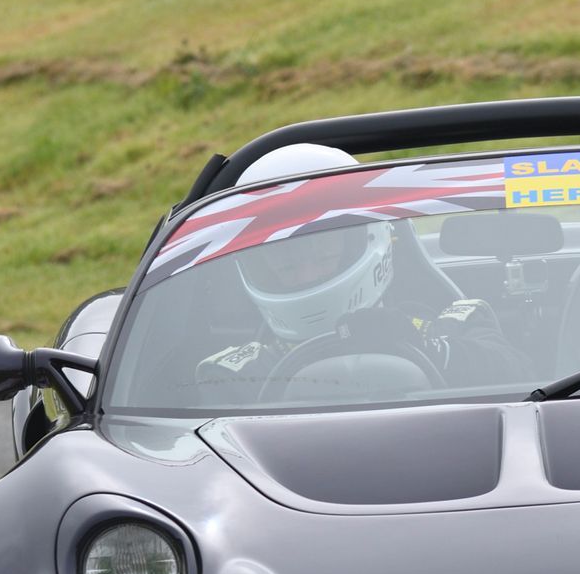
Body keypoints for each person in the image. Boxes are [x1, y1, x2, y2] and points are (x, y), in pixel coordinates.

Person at [196, 144, 528, 395]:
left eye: (323, 252)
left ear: (372, 240)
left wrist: (430, 348)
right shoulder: (236, 371)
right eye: (287, 262)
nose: (307, 273)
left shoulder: (452, 325)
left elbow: (521, 381)